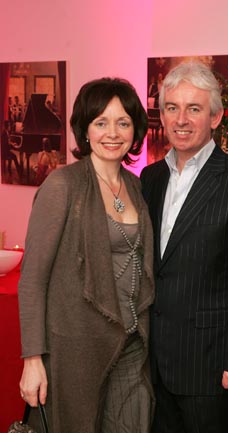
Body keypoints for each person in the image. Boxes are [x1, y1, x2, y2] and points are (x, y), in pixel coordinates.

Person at [140, 62, 228, 433]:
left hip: (212, 368)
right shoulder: (150, 178)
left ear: (215, 117)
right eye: (172, 108)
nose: (181, 119)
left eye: (194, 109)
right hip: (153, 364)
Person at [18, 77, 154, 432]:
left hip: (131, 344)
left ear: (135, 129)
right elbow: (32, 281)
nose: (113, 132)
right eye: (101, 122)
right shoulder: (63, 185)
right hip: (75, 349)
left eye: (123, 122)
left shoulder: (135, 186)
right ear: (85, 129)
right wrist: (32, 360)